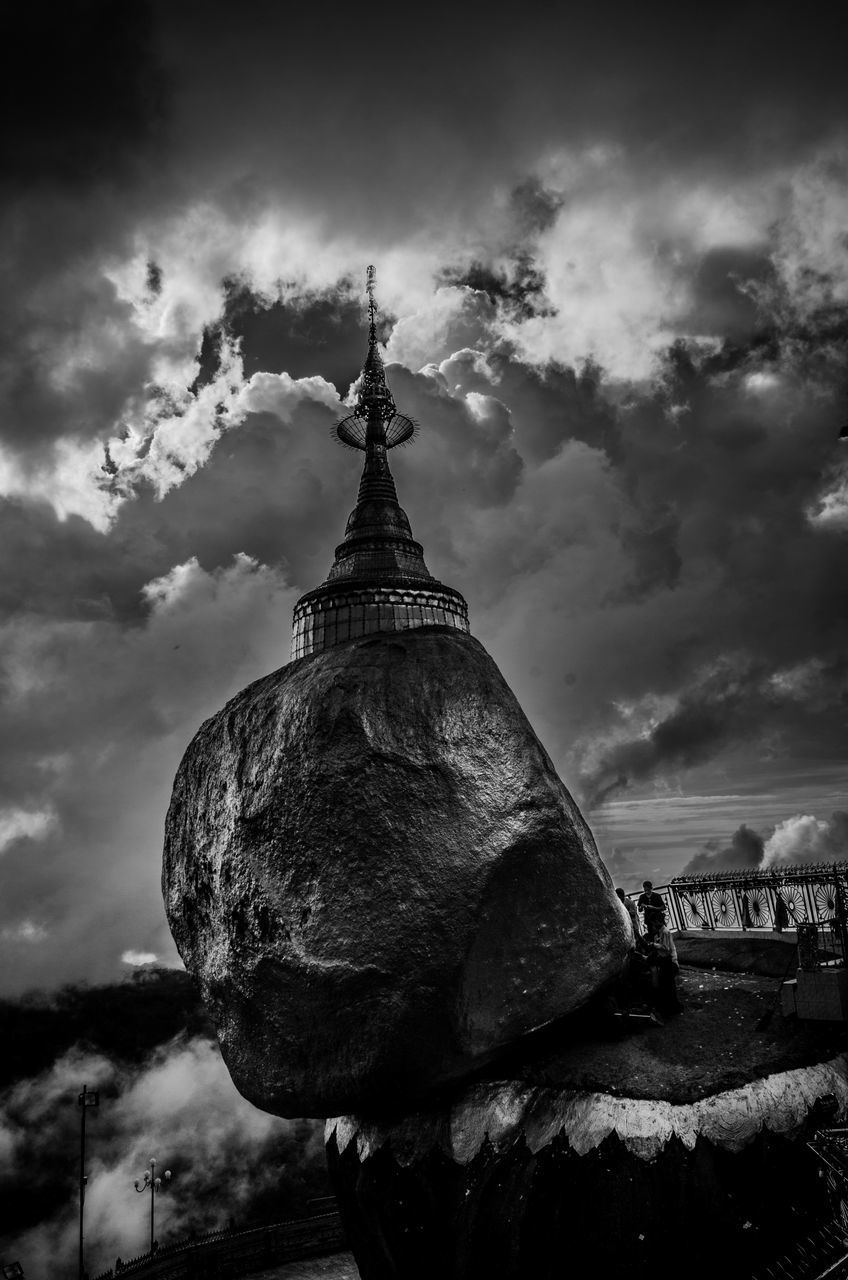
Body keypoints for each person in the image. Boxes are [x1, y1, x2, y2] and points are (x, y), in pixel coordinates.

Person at [644, 914, 682, 1015]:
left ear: (657, 921)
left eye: (653, 923)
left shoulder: (665, 932)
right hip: (665, 961)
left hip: (670, 962)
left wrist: (654, 944)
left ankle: (673, 1008)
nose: (652, 926)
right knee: (666, 986)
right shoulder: (658, 934)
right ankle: (670, 1007)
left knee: (668, 986)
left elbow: (666, 948)